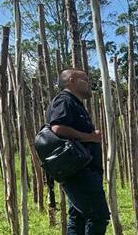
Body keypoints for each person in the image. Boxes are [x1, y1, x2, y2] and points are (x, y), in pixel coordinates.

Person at [46, 69, 109, 235]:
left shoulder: (74, 103)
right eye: (86, 79)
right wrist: (89, 136)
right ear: (72, 80)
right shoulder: (64, 100)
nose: (89, 83)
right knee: (99, 216)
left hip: (82, 170)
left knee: (79, 217)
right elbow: (57, 128)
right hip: (80, 171)